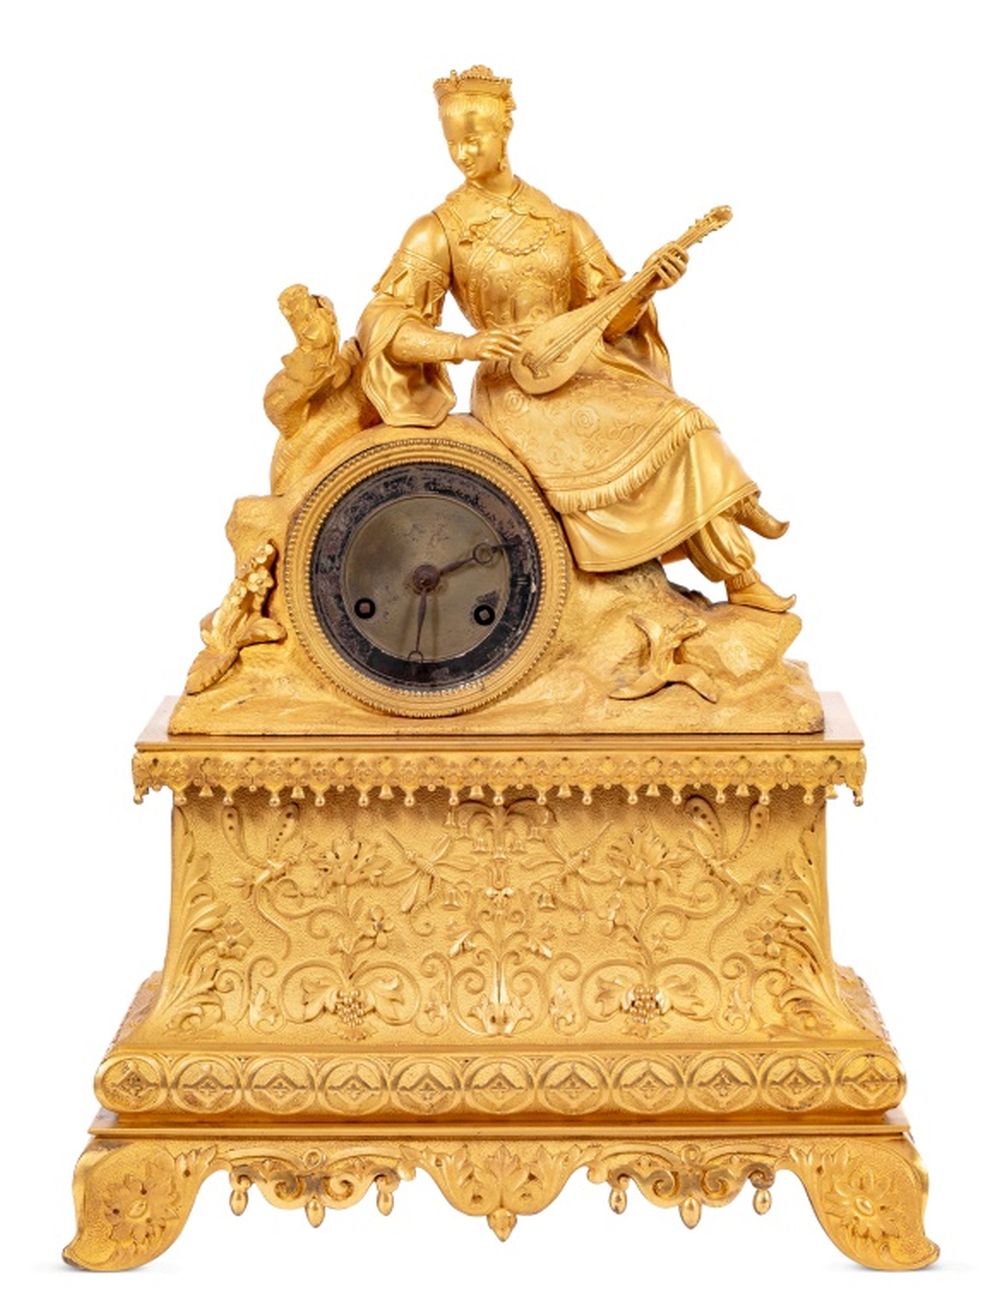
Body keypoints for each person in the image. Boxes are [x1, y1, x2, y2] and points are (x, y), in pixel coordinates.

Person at [355, 66, 793, 612]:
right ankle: (731, 532)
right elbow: (385, 321)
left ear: (505, 131)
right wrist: (462, 347)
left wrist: (646, 289)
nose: (463, 154)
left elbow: (608, 316)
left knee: (683, 420)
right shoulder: (438, 229)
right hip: (517, 384)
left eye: (474, 139)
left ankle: (741, 572)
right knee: (670, 426)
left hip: (581, 366)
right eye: (452, 144)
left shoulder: (562, 223)